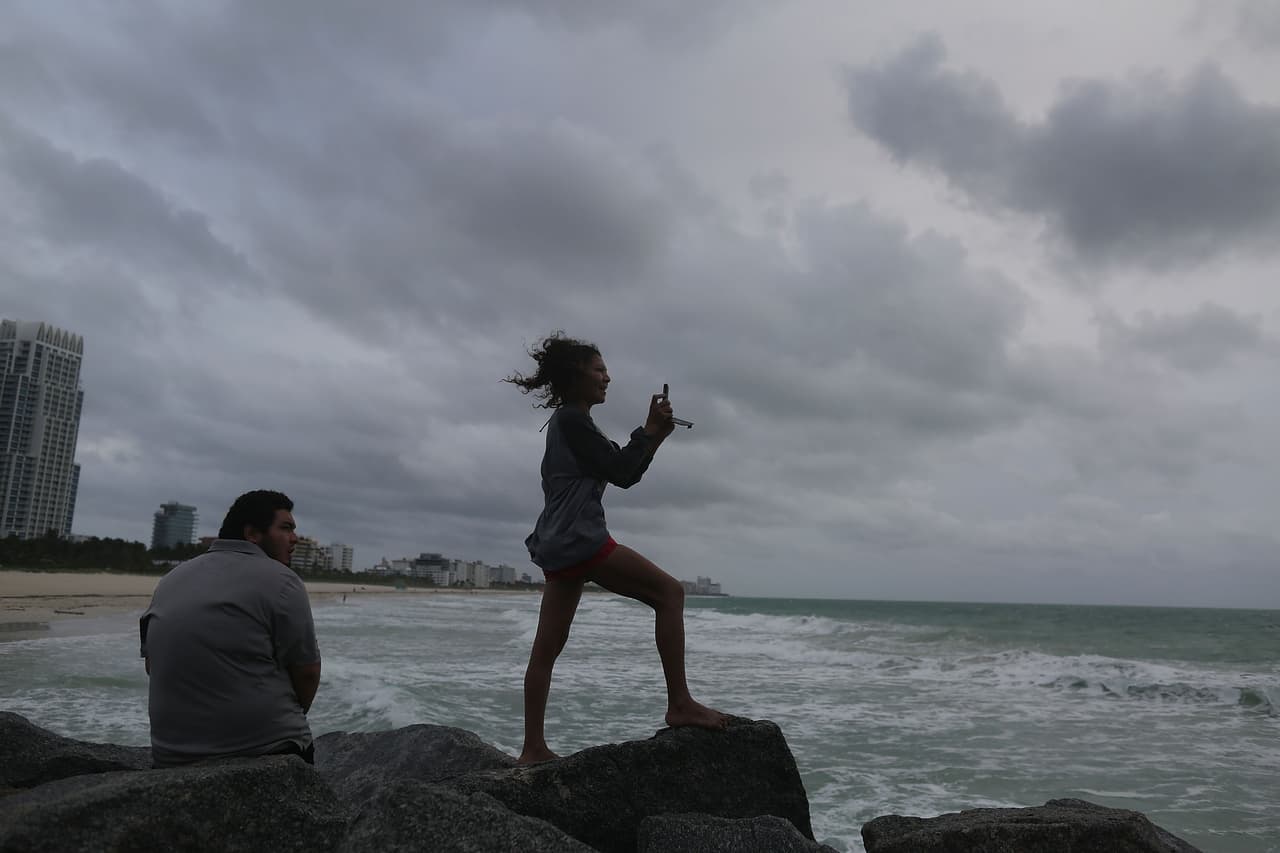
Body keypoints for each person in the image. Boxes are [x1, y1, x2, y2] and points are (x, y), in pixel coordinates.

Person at [505, 332, 727, 764]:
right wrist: (648, 431)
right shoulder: (572, 420)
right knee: (671, 593)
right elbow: (620, 470)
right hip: (580, 540)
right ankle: (679, 703)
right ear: (576, 376)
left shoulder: (570, 422)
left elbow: (624, 470)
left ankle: (532, 748)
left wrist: (655, 436)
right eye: (599, 370)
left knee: (546, 648)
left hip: (559, 541)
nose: (608, 377)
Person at [139, 490, 321, 767]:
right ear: (252, 533)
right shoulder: (283, 580)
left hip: (169, 755)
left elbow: (153, 665)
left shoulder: (170, 579)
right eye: (285, 528)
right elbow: (307, 673)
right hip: (264, 751)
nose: (295, 538)